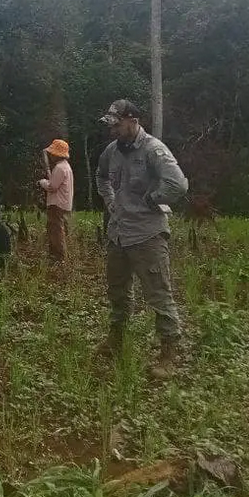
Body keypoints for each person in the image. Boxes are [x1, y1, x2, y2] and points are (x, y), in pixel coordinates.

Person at [94, 99, 189, 379]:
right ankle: (116, 338)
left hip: (147, 234)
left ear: (133, 121)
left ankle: (169, 352)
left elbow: (178, 184)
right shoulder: (111, 151)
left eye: (117, 124)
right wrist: (111, 202)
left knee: (158, 293)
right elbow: (102, 179)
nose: (113, 130)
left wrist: (153, 199)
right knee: (118, 292)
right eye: (111, 125)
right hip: (119, 233)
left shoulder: (153, 149)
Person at [37, 139, 74, 263]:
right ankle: (55, 255)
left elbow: (52, 187)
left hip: (57, 204)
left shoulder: (59, 168)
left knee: (56, 231)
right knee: (55, 229)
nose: (51, 156)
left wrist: (43, 182)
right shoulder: (65, 167)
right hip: (62, 203)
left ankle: (58, 257)